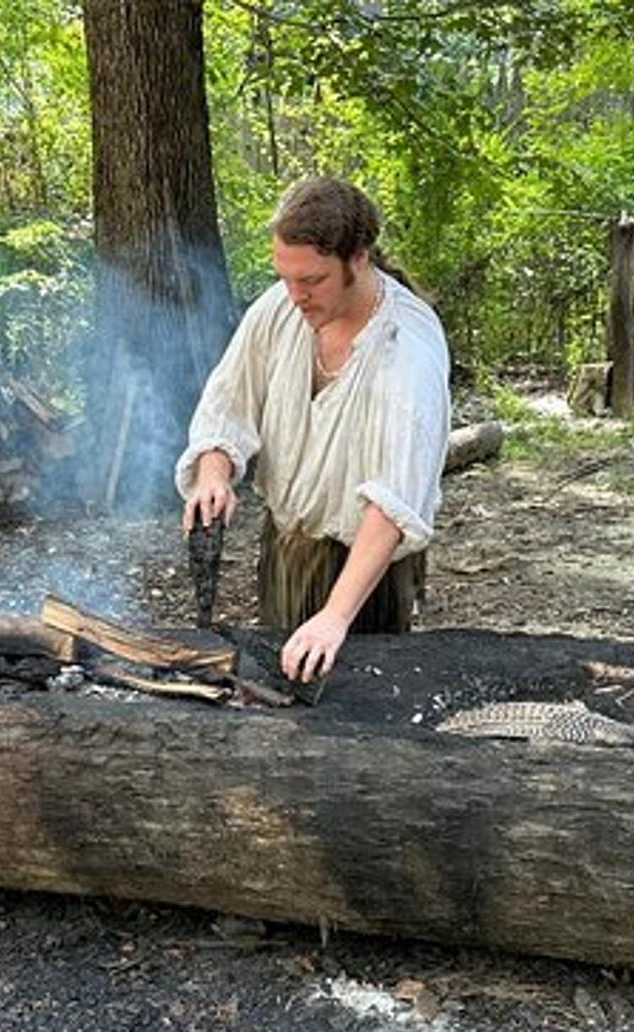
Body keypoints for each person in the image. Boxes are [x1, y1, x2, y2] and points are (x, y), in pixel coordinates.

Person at [177, 176, 450, 684]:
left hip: (367, 569)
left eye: (312, 281)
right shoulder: (280, 308)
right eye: (285, 277)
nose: (295, 295)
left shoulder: (406, 350)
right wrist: (214, 472)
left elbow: (392, 503)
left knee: (357, 708)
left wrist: (334, 617)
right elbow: (228, 401)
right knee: (279, 694)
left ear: (359, 258)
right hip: (286, 548)